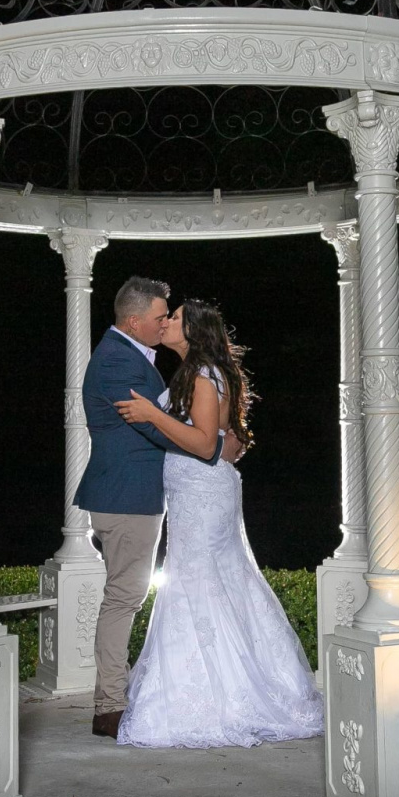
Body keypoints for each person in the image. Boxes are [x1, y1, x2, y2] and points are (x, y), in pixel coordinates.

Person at [111, 299, 324, 748]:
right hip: (194, 494)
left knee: (198, 582)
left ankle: (215, 697)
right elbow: (226, 438)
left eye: (175, 317)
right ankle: (215, 684)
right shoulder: (197, 372)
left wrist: (153, 414)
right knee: (208, 582)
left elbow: (207, 442)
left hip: (202, 496)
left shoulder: (204, 374)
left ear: (193, 331)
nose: (166, 322)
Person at [75, 276, 237, 738]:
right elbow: (155, 430)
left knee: (131, 595)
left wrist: (220, 439)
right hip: (126, 499)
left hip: (142, 497)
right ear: (134, 321)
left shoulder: (136, 356)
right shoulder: (115, 364)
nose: (165, 322)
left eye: (171, 316)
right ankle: (109, 706)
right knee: (124, 598)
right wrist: (213, 446)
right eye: (160, 317)